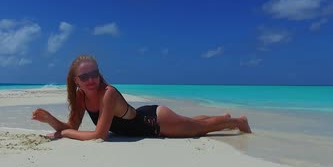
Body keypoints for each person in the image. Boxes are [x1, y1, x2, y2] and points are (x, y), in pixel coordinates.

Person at [32, 54, 251, 140]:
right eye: (85, 76)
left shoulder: (108, 94)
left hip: (154, 123)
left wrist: (63, 134)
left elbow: (100, 135)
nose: (91, 79)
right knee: (192, 123)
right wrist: (52, 120)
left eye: (94, 73)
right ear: (76, 81)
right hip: (147, 118)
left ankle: (236, 121)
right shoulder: (80, 97)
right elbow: (73, 125)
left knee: (198, 129)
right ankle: (221, 117)